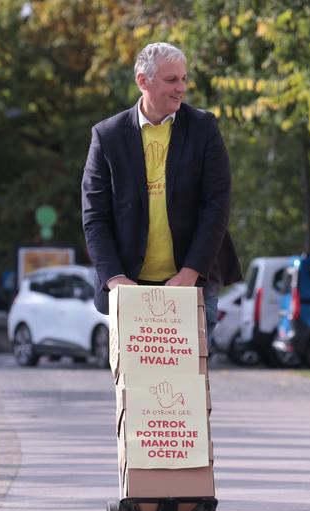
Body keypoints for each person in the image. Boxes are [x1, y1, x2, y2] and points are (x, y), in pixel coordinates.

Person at [81, 42, 242, 341]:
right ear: (143, 81)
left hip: (192, 282)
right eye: (172, 80)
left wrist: (191, 272)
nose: (181, 88)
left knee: (189, 382)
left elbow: (216, 205)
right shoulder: (107, 136)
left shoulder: (203, 127)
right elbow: (95, 217)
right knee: (136, 385)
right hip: (129, 287)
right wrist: (115, 280)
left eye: (183, 79)